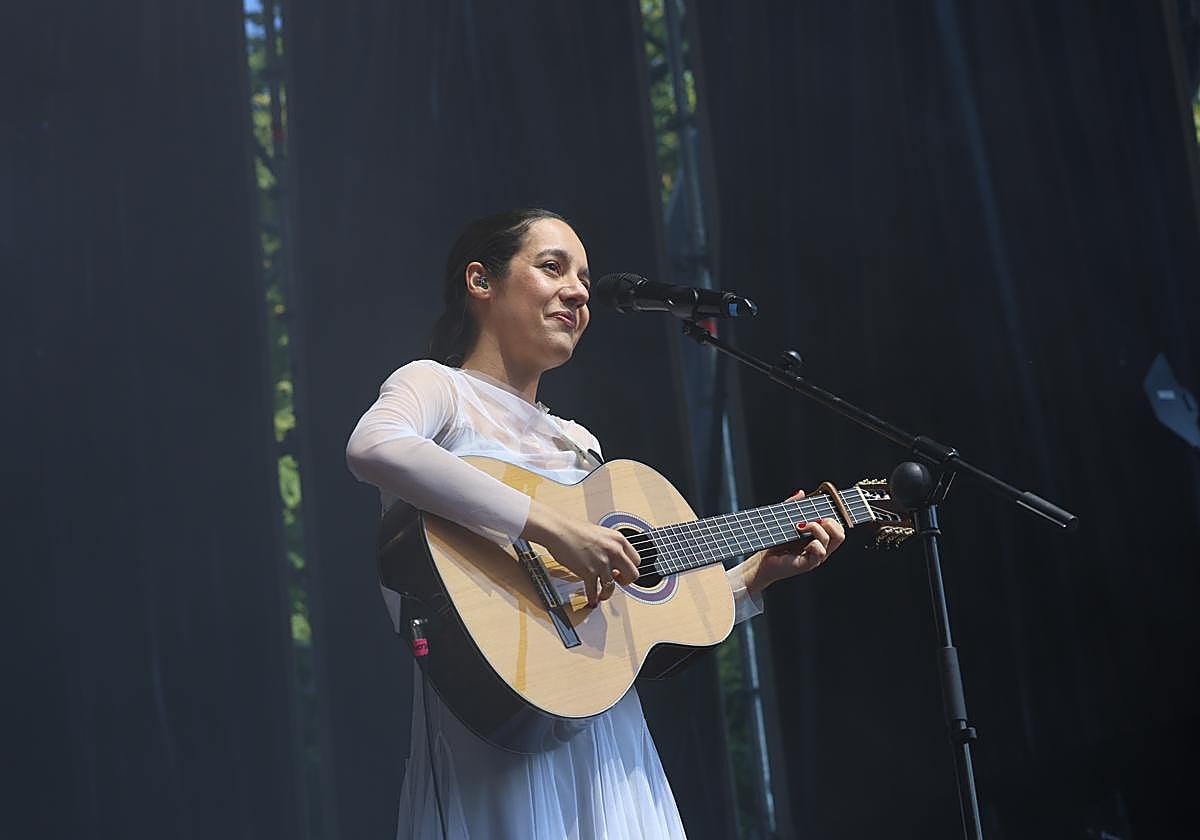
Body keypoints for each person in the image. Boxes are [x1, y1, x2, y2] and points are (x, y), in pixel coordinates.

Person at [346, 209, 844, 839]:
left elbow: (627, 620)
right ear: (481, 281)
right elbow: (374, 448)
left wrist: (755, 577)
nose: (580, 291)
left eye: (584, 277)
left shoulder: (579, 444)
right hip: (491, 735)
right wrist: (551, 528)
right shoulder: (438, 388)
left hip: (603, 737)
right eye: (552, 267)